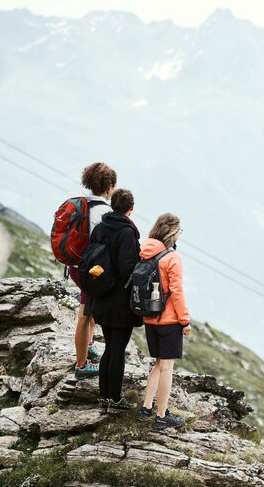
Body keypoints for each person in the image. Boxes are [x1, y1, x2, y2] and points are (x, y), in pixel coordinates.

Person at [89, 188, 141, 410]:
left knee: (110, 347)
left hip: (101, 296)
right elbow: (127, 268)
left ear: (112, 205)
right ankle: (115, 399)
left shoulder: (100, 228)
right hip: (120, 301)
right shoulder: (127, 233)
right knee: (117, 349)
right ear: (131, 208)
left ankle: (104, 396)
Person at [138, 213, 191, 429]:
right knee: (167, 367)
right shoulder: (171, 257)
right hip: (168, 320)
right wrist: (184, 320)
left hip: (150, 317)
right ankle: (161, 416)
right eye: (179, 231)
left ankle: (146, 407)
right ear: (172, 232)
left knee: (158, 364)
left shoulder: (145, 251)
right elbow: (177, 291)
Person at [68, 162, 116, 379]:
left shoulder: (79, 202)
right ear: (110, 186)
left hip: (74, 265)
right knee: (84, 315)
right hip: (91, 270)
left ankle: (88, 344)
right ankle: (81, 365)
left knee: (91, 307)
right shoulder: (105, 211)